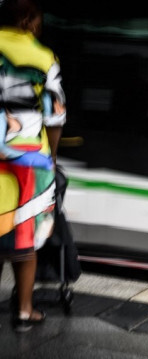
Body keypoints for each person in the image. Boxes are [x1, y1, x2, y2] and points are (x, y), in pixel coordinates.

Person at [0, 0, 67, 332]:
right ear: (28, 19)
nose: (40, 26)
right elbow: (55, 116)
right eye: (39, 19)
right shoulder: (44, 57)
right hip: (29, 159)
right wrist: (51, 157)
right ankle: (24, 310)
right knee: (24, 236)